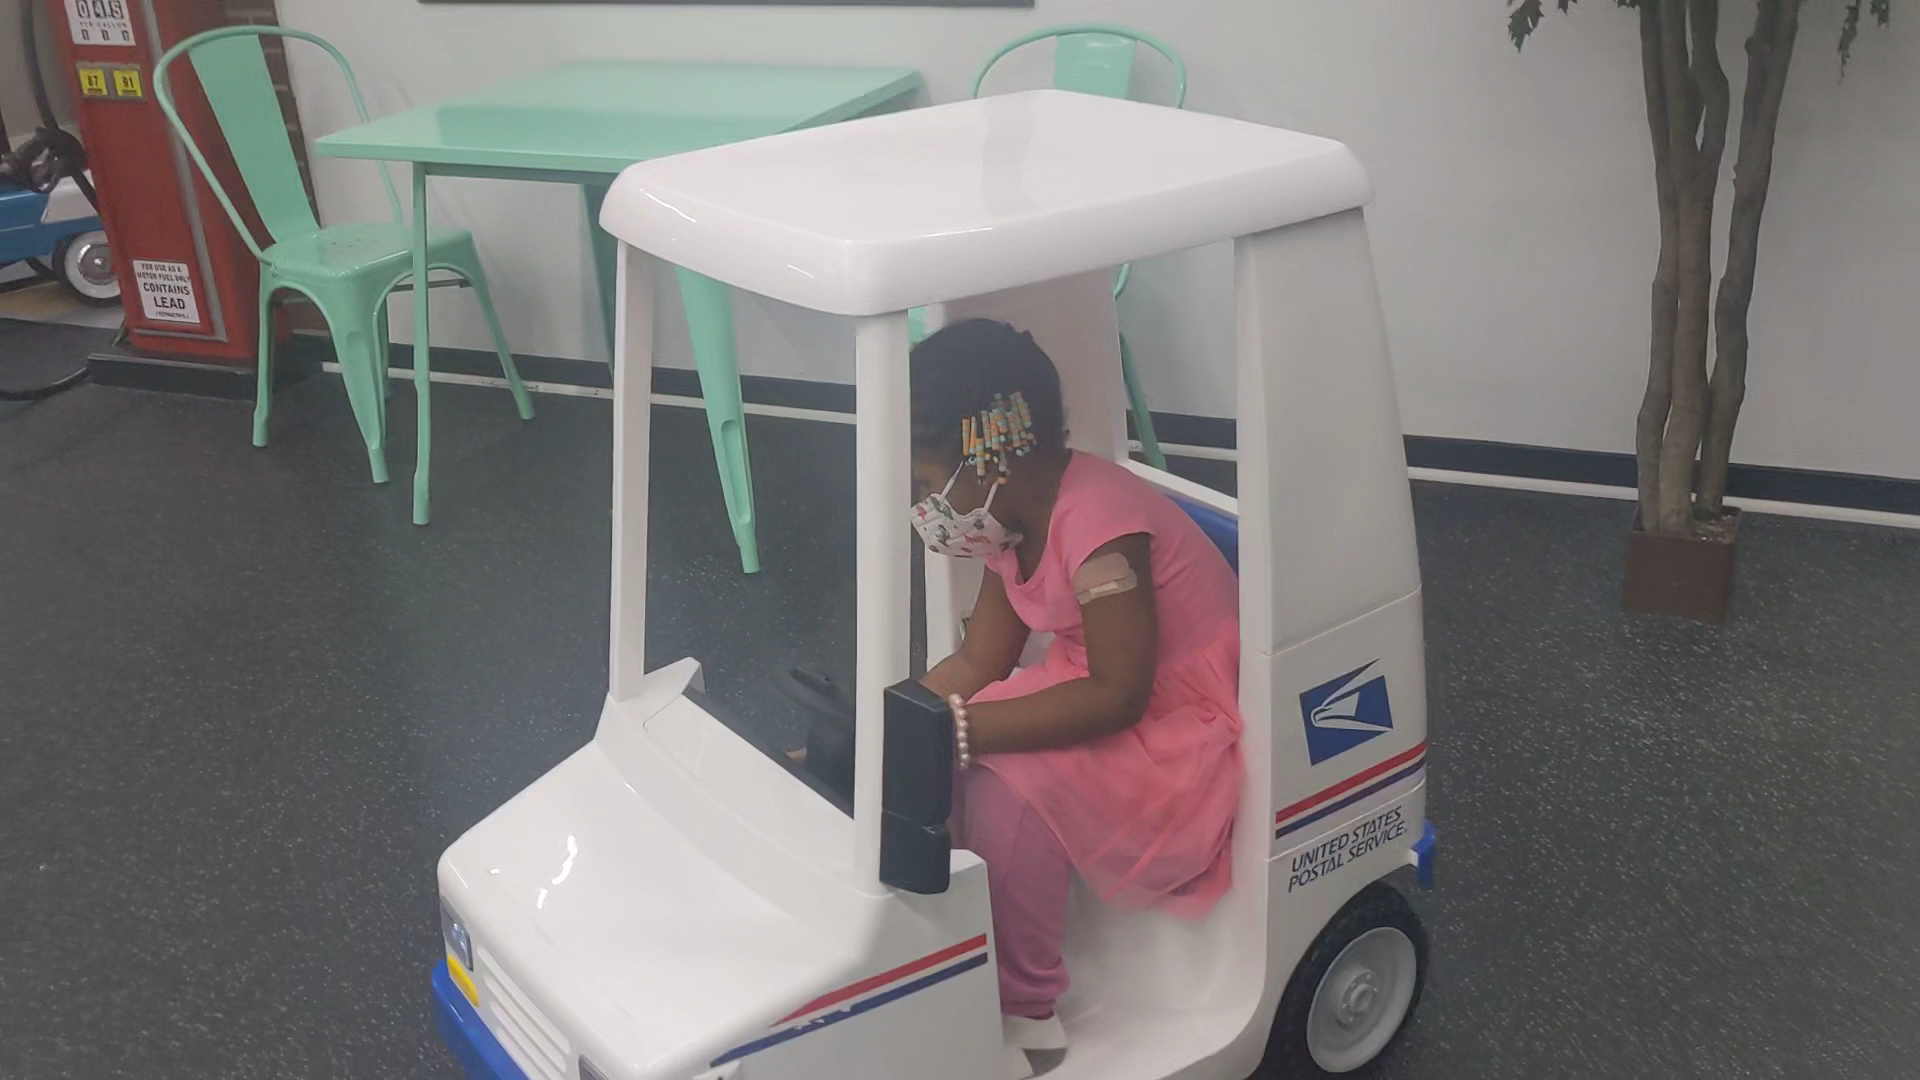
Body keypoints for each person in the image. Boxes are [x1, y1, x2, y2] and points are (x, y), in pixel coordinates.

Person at [908, 319, 1244, 1079]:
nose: (925, 507)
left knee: (1006, 785)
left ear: (992, 454)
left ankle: (1025, 1013)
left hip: (1173, 715)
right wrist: (902, 724)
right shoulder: (1006, 518)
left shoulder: (1099, 526)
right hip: (1094, 679)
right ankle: (960, 948)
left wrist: (963, 730)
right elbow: (980, 659)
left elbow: (1121, 695)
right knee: (941, 758)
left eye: (928, 485)